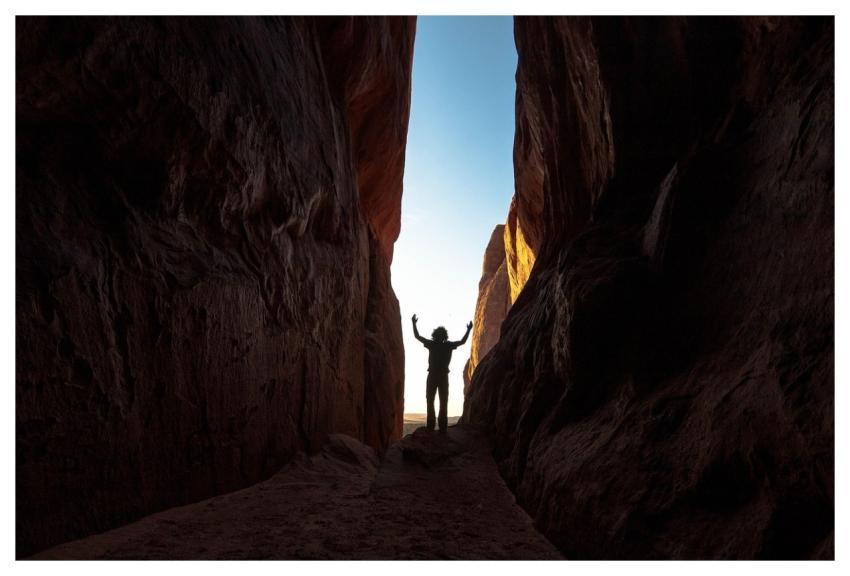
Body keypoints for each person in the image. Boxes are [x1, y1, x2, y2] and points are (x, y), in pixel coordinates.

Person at [411, 314, 472, 433]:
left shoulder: (432, 344)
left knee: (430, 400)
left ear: (435, 335)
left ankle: (431, 426)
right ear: (445, 336)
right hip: (443, 376)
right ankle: (442, 427)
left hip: (433, 376)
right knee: (443, 401)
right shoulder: (448, 345)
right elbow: (462, 341)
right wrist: (468, 329)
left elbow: (417, 336)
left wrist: (414, 323)